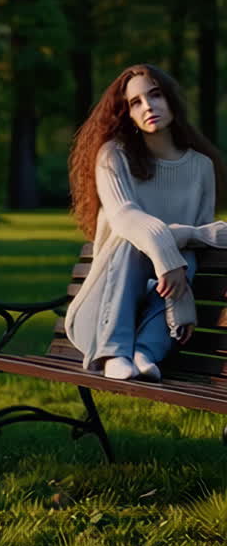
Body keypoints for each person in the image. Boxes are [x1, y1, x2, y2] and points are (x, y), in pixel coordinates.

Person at [65, 63, 227, 380]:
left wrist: (174, 246)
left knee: (186, 252)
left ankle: (144, 352)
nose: (148, 107)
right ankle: (114, 352)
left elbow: (202, 236)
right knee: (130, 239)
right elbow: (125, 217)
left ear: (171, 100)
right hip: (101, 316)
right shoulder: (114, 155)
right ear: (127, 115)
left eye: (155, 95)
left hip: (161, 314)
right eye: (135, 103)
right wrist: (168, 254)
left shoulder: (201, 166)